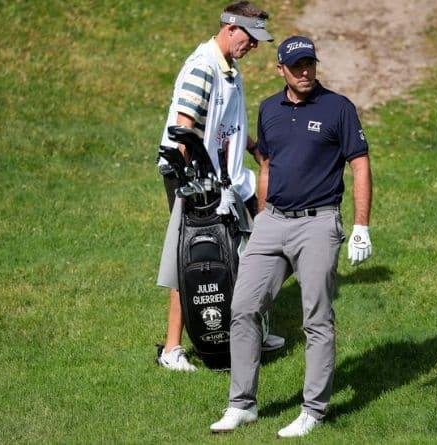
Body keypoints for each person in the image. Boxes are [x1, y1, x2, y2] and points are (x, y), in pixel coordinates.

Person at [209, 35, 374, 437]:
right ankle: (242, 405)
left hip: (318, 224)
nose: (304, 72)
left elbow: (359, 165)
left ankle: (313, 410)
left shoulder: (338, 108)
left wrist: (361, 226)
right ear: (280, 69)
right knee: (243, 308)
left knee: (316, 319)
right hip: (272, 222)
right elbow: (267, 165)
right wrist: (261, 215)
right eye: (296, 66)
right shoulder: (269, 109)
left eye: (309, 64)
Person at [155, 1, 284, 372]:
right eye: (250, 37)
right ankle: (172, 349)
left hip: (221, 177)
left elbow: (226, 122)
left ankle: (249, 331)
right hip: (192, 178)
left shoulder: (229, 66)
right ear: (230, 28)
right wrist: (188, 183)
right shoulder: (203, 66)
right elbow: (183, 128)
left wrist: (253, 148)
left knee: (238, 253)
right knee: (193, 257)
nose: (254, 45)